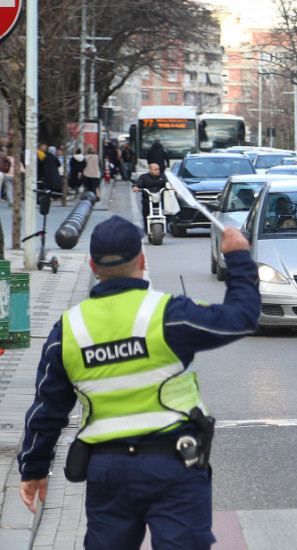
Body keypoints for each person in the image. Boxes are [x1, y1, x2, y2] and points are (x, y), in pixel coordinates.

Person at [18, 215, 260, 548]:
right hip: (174, 466)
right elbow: (240, 318)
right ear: (142, 259)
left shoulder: (68, 331)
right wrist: (238, 258)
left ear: (93, 265)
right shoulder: (168, 315)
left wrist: (33, 469)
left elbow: (47, 410)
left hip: (107, 472)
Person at [132, 163, 168, 233]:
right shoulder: (144, 177)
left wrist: (171, 187)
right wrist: (135, 187)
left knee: (169, 209)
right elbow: (138, 183)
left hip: (160, 198)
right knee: (146, 212)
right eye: (155, 170)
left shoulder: (163, 176)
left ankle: (169, 224)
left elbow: (167, 183)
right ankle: (146, 228)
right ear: (150, 170)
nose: (158, 171)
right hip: (148, 199)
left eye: (158, 169)